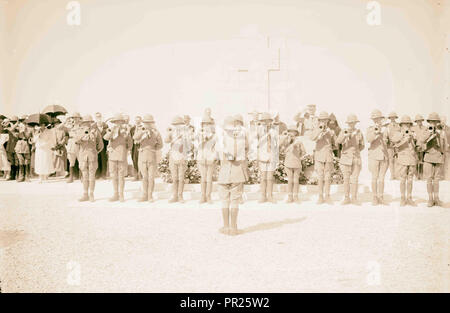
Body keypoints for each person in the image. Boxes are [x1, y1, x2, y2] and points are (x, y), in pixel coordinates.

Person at [218, 115, 248, 236]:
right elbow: (247, 151)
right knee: (235, 200)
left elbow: (217, 154)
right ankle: (233, 227)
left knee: (224, 200)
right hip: (237, 172)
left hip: (224, 172)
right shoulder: (243, 138)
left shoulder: (222, 139)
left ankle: (225, 226)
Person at [416, 112, 448, 207]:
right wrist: (429, 134)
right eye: (431, 121)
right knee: (429, 179)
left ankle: (437, 199)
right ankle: (430, 199)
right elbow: (420, 142)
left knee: (437, 179)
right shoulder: (426, 131)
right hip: (428, 157)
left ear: (437, 122)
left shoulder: (441, 132)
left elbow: (444, 146)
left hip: (438, 157)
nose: (433, 123)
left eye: (435, 122)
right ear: (429, 122)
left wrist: (438, 135)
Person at [133, 114, 163, 202]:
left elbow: (160, 144)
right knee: (144, 177)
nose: (147, 125)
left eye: (149, 123)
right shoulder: (140, 130)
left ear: (152, 123)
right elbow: (134, 137)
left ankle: (150, 196)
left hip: (151, 156)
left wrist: (153, 149)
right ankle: (144, 195)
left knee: (151, 177)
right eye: (146, 123)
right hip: (142, 156)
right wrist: (142, 132)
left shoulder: (156, 132)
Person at [336, 114, 365, 205]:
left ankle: (354, 198)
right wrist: (345, 135)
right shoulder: (343, 131)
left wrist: (355, 151)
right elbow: (338, 141)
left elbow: (362, 145)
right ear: (348, 123)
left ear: (355, 123)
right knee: (346, 179)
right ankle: (346, 198)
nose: (352, 124)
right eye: (350, 123)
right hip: (345, 159)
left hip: (355, 158)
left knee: (355, 179)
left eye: (353, 122)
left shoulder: (359, 132)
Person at [104, 113, 133, 202]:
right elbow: (105, 138)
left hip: (121, 155)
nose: (118, 124)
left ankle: (121, 195)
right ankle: (115, 194)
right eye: (116, 122)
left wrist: (125, 151)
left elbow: (130, 144)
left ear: (122, 122)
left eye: (120, 122)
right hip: (112, 156)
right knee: (113, 176)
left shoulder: (125, 132)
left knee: (121, 176)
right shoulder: (111, 130)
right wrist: (111, 132)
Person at [164, 115, 193, 203]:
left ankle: (180, 196)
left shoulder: (186, 133)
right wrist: (169, 133)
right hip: (173, 156)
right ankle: (174, 196)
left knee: (181, 178)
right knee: (174, 178)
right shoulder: (171, 133)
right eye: (175, 124)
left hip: (182, 157)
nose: (177, 126)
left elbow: (190, 146)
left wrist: (185, 138)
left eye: (179, 124)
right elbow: (166, 141)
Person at [391, 115, 419, 206]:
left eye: (408, 124)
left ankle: (409, 198)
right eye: (404, 124)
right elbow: (394, 141)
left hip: (411, 158)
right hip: (403, 159)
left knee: (410, 179)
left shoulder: (413, 133)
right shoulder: (398, 133)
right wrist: (404, 136)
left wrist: (414, 138)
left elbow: (418, 146)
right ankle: (403, 198)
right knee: (403, 179)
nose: (406, 125)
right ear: (401, 125)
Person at [76, 115, 104, 202]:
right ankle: (85, 194)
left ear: (91, 123)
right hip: (83, 156)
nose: (87, 124)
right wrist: (83, 135)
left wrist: (95, 152)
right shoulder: (80, 131)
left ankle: (91, 194)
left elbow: (101, 145)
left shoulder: (95, 131)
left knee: (92, 176)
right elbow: (76, 142)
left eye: (88, 122)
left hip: (92, 156)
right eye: (85, 123)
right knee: (85, 176)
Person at [310, 111, 336, 204]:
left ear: (327, 121)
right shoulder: (316, 129)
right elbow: (312, 138)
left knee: (328, 177)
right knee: (320, 177)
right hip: (319, 155)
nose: (324, 122)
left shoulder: (331, 130)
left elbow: (335, 144)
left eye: (325, 120)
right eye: (322, 120)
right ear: (319, 120)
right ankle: (320, 196)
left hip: (328, 155)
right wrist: (319, 130)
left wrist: (331, 134)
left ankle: (327, 196)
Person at [367, 109, 389, 205]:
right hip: (374, 155)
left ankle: (381, 197)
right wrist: (375, 133)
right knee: (374, 177)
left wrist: (383, 134)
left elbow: (388, 141)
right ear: (373, 120)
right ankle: (374, 197)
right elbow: (369, 140)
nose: (377, 121)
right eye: (375, 119)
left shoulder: (385, 129)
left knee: (382, 178)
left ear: (381, 119)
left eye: (378, 119)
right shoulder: (370, 128)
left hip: (384, 155)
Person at [256, 112, 279, 203]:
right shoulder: (258, 131)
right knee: (263, 178)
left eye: (268, 121)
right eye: (264, 121)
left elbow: (276, 145)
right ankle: (263, 196)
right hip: (262, 156)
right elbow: (255, 144)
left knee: (270, 177)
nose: (266, 123)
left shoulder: (274, 131)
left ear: (270, 121)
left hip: (271, 156)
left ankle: (270, 195)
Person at [280, 124, 306, 203]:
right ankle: (290, 197)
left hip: (297, 163)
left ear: (296, 133)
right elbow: (280, 147)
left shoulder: (299, 141)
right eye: (290, 131)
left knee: (296, 180)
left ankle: (296, 197)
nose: (291, 133)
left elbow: (304, 152)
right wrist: (285, 137)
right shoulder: (286, 141)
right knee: (290, 180)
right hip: (288, 163)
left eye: (293, 132)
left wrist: (299, 156)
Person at [196, 110, 217, 204]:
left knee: (209, 178)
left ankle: (208, 196)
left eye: (208, 124)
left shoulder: (215, 136)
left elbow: (216, 146)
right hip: (201, 158)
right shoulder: (198, 135)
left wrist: (213, 157)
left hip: (210, 158)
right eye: (204, 124)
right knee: (203, 178)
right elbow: (196, 145)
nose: (206, 126)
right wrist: (201, 137)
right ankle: (202, 195)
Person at [63, 112, 82, 183]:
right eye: (73, 117)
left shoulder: (81, 126)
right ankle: (71, 177)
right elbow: (60, 127)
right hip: (71, 144)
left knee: (80, 161)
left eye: (76, 117)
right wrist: (66, 121)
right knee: (71, 162)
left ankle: (81, 177)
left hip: (79, 144)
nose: (75, 119)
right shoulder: (70, 126)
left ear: (79, 118)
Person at [14, 116, 32, 182]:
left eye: (24, 120)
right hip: (19, 144)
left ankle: (27, 176)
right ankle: (21, 176)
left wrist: (24, 131)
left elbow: (28, 137)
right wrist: (16, 124)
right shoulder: (18, 127)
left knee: (27, 161)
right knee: (20, 161)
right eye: (21, 120)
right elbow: (12, 132)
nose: (23, 122)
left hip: (26, 144)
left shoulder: (29, 128)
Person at [386, 111, 401, 180]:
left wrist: (397, 142)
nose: (392, 118)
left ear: (395, 117)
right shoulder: (387, 126)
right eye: (391, 117)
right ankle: (392, 175)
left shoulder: (398, 126)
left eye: (393, 117)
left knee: (397, 160)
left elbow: (400, 135)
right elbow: (386, 135)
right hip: (390, 145)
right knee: (390, 160)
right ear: (390, 118)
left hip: (397, 145)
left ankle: (397, 175)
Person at [94, 112, 109, 179]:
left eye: (99, 116)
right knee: (96, 159)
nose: (98, 118)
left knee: (104, 159)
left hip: (104, 145)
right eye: (97, 117)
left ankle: (103, 174)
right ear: (95, 118)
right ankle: (97, 174)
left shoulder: (106, 125)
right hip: (96, 146)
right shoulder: (93, 126)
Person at [412, 114, 426, 180]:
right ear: (416, 121)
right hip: (415, 147)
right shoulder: (413, 128)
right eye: (418, 121)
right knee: (415, 161)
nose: (419, 122)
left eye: (420, 121)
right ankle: (416, 175)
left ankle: (421, 175)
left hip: (423, 147)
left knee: (421, 161)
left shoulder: (425, 128)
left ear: (422, 121)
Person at [5, 116, 19, 181]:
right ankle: (12, 175)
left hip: (16, 147)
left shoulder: (19, 128)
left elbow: (16, 136)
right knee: (11, 162)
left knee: (17, 161)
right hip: (10, 147)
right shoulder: (9, 128)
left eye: (14, 122)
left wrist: (16, 124)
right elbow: (8, 129)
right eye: (12, 122)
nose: (13, 123)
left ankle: (17, 175)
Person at [130, 115, 143, 181]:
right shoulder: (132, 128)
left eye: (138, 120)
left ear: (141, 121)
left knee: (140, 161)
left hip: (141, 146)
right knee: (134, 160)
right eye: (136, 120)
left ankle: (141, 175)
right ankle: (136, 176)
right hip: (134, 147)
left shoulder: (143, 128)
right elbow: (130, 137)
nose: (137, 122)